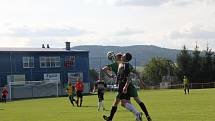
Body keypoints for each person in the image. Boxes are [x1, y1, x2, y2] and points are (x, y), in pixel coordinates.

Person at [103, 52, 152, 121]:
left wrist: (124, 86)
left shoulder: (122, 65)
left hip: (125, 85)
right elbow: (133, 73)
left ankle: (138, 114)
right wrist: (142, 82)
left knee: (122, 102)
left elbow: (127, 76)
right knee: (125, 102)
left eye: (122, 56)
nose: (121, 56)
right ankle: (146, 115)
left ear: (123, 58)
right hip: (127, 85)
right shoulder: (124, 64)